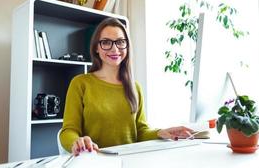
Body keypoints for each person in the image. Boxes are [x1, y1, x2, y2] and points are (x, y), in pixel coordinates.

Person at [60, 17, 193, 156]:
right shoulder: (80, 83)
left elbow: (140, 131)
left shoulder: (135, 87)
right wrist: (76, 141)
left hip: (130, 160)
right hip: (95, 161)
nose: (114, 48)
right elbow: (68, 131)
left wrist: (162, 132)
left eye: (120, 42)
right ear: (96, 48)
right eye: (106, 42)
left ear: (127, 46)